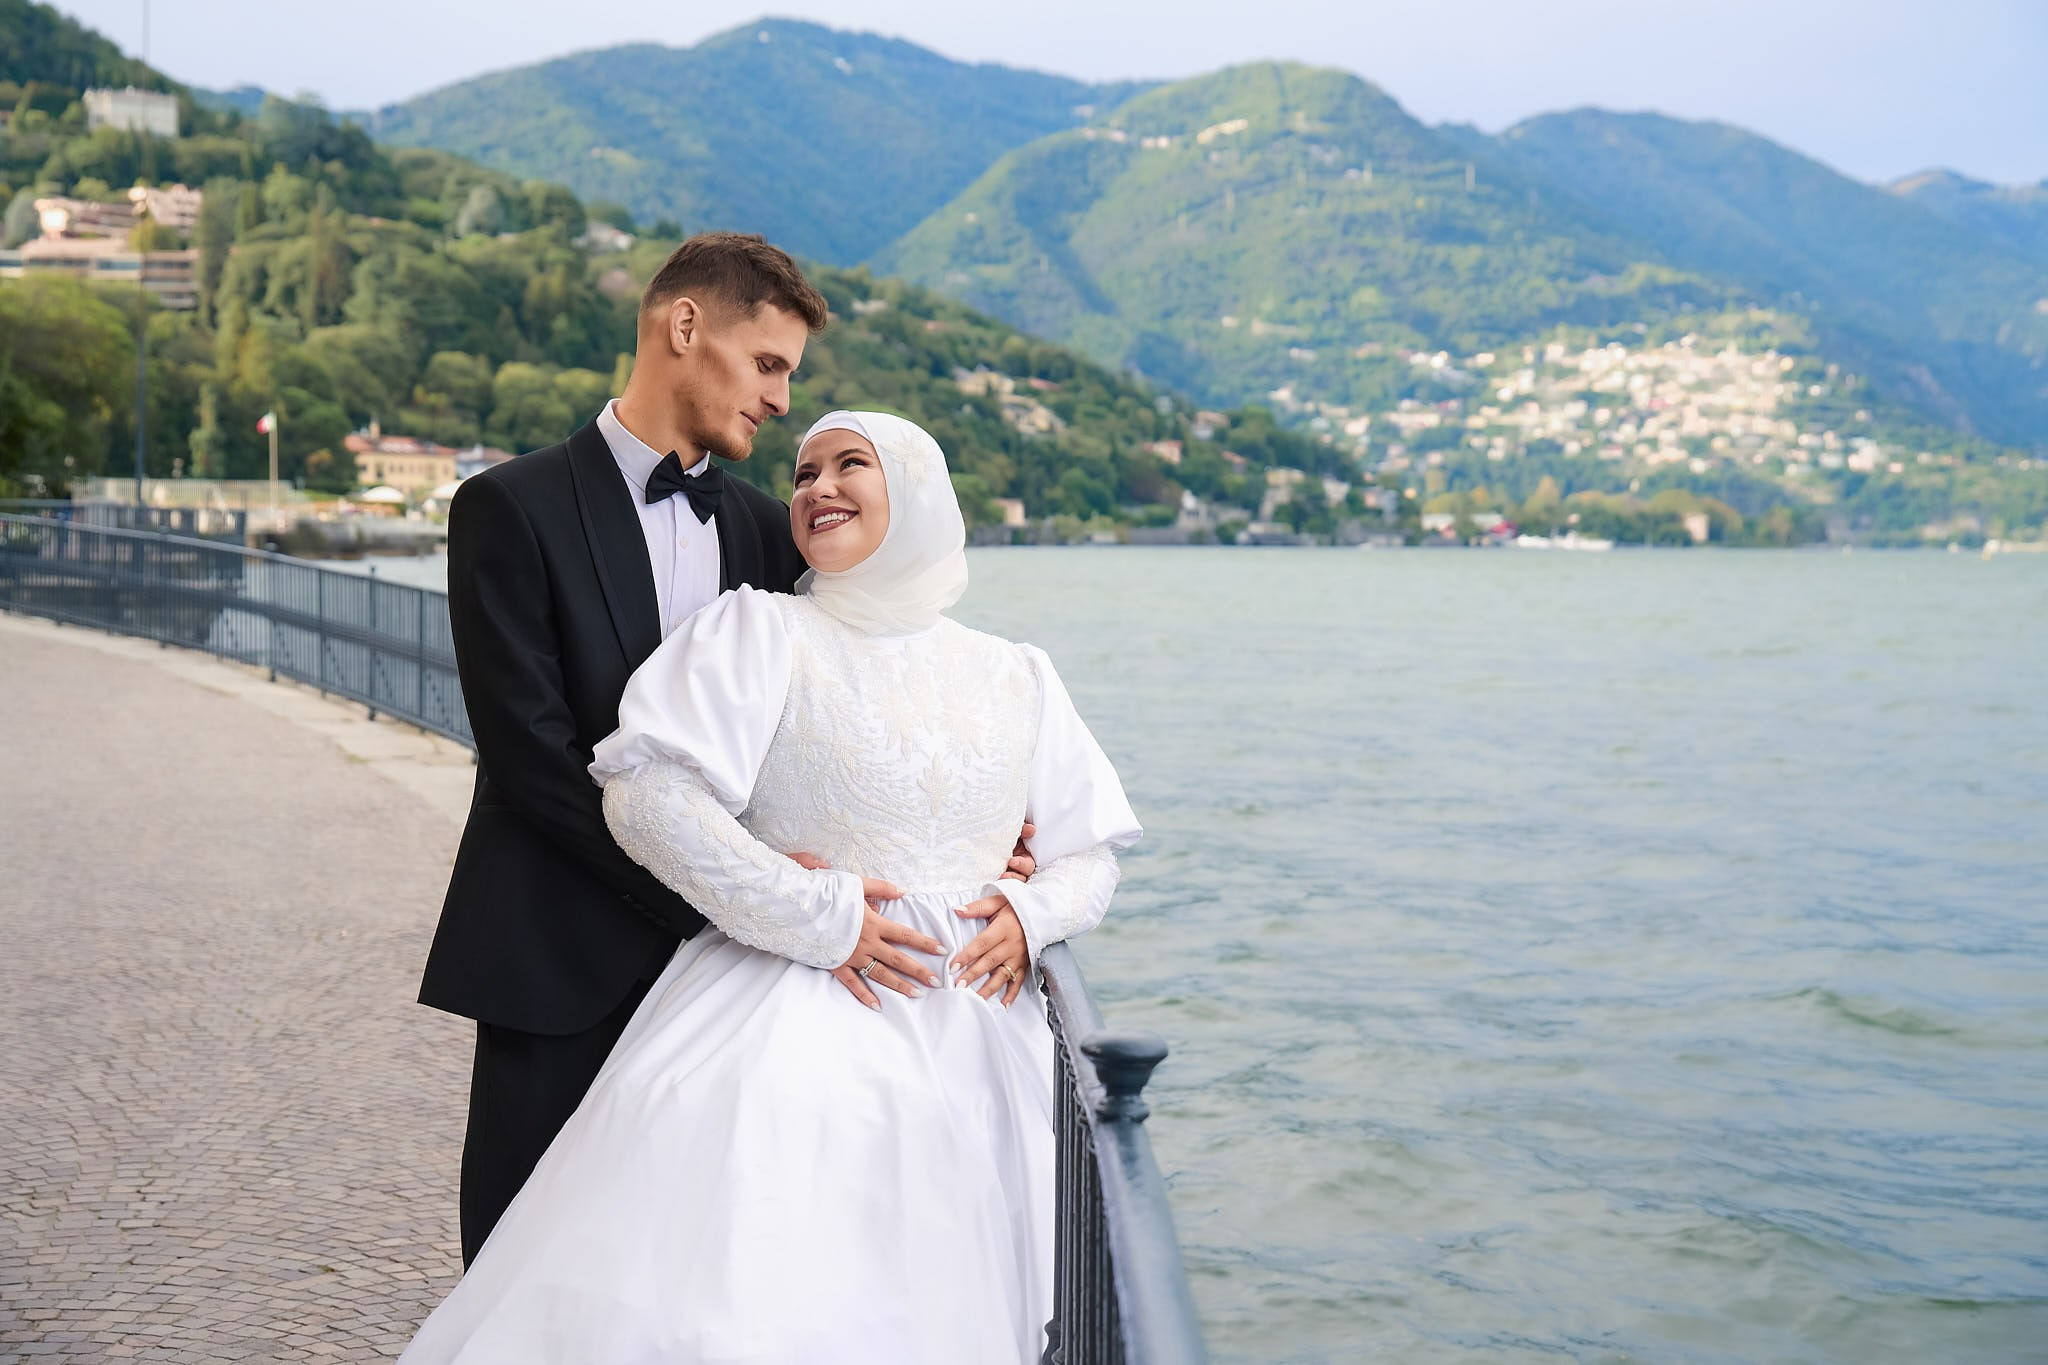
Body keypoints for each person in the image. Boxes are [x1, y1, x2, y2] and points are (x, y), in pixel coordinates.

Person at [400, 411, 1141, 1363]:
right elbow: (649, 795)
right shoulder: (763, 630)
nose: (818, 486)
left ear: (917, 493)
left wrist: (1031, 914)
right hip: (794, 1008)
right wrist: (812, 913)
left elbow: (1092, 855)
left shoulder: (1017, 673)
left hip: (978, 1038)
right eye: (803, 472)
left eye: (850, 465)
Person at [417, 232, 1026, 1266]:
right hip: (560, 960)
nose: (783, 401)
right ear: (684, 327)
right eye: (769, 364)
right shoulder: (506, 507)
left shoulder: (770, 529)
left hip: (748, 989)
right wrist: (735, 891)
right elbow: (529, 761)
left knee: (698, 1269)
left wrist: (989, 846)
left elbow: (874, 690)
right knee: (524, 1264)